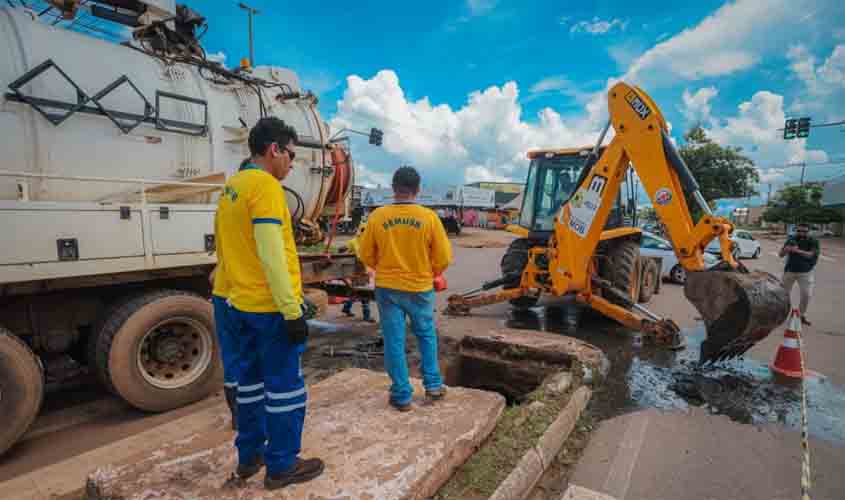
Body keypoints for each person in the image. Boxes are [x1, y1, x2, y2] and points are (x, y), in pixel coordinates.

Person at [215, 117, 324, 490]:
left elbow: (228, 252)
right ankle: (281, 466)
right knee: (285, 388)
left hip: (237, 303)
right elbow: (271, 254)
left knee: (248, 385)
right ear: (274, 149)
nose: (292, 164)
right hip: (268, 309)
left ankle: (250, 456)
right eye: (291, 154)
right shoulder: (265, 187)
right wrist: (292, 310)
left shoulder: (233, 187)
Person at [358, 166, 453, 411]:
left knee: (394, 340)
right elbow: (443, 257)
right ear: (417, 189)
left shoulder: (378, 216)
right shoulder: (428, 218)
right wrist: (430, 271)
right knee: (426, 335)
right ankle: (433, 386)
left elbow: (366, 254)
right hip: (420, 287)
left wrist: (383, 265)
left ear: (393, 188)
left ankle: (401, 396)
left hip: (388, 288)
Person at [210, 265, 239, 430]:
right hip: (246, 295)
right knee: (253, 356)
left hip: (222, 294)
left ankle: (237, 415)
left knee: (230, 353)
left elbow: (212, 277)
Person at [778, 223, 820, 326]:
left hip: (806, 272)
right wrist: (785, 250)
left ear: (809, 231)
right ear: (796, 230)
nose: (801, 233)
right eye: (799, 231)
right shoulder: (791, 239)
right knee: (782, 295)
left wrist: (797, 251)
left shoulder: (813, 241)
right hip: (790, 270)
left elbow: (811, 254)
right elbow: (780, 254)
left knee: (806, 294)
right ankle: (780, 315)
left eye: (804, 231)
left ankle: (801, 315)